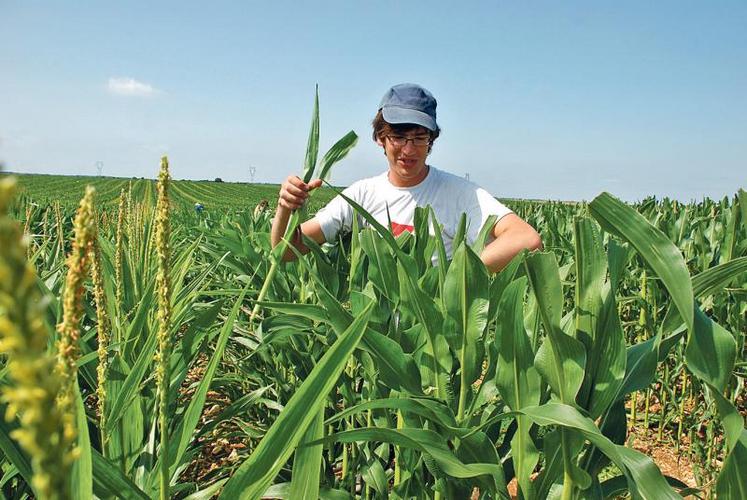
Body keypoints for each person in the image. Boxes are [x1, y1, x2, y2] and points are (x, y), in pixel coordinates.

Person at [271, 83, 541, 273]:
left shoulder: (459, 194)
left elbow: (526, 239)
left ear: (431, 140)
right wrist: (285, 207)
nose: (409, 150)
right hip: (376, 340)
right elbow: (285, 252)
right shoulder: (361, 195)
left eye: (419, 138)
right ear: (381, 139)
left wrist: (455, 279)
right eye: (398, 137)